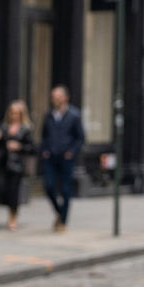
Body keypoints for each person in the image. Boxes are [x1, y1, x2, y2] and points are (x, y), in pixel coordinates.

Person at [41, 84, 84, 231]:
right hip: (51, 157)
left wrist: (71, 151)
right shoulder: (49, 115)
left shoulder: (74, 115)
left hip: (66, 158)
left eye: (58, 97)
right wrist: (45, 150)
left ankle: (63, 221)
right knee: (49, 186)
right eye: (53, 97)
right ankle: (60, 212)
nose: (55, 100)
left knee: (66, 189)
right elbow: (44, 135)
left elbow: (80, 137)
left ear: (66, 98)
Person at [0, 99, 35, 230]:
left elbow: (32, 148)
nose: (14, 115)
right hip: (3, 163)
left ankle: (13, 217)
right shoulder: (3, 127)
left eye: (17, 113)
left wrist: (19, 146)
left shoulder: (25, 129)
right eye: (12, 112)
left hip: (17, 165)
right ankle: (10, 213)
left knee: (14, 191)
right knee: (4, 189)